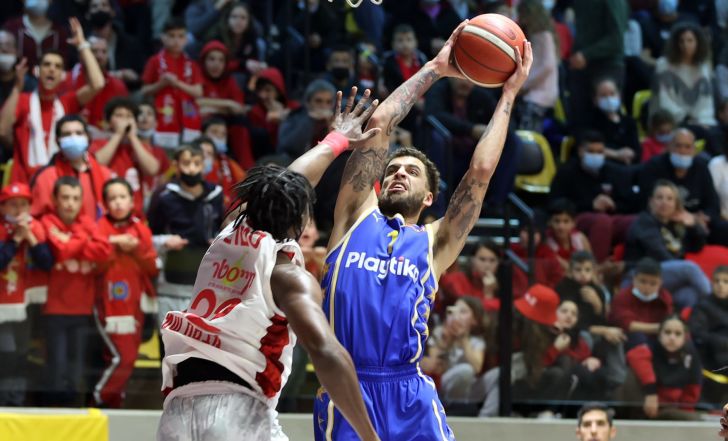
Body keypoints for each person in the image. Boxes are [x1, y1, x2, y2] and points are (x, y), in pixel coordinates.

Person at [314, 19, 532, 439]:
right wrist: (435, 68)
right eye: (393, 169)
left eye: (412, 172)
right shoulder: (354, 217)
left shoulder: (435, 242)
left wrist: (508, 94)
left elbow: (481, 172)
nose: (399, 173)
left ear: (430, 197)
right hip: (345, 388)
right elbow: (380, 123)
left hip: (409, 393)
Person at [157, 89, 382, 441]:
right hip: (236, 409)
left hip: (175, 412)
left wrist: (336, 140)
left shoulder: (230, 234)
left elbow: (285, 183)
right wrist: (370, 436)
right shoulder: (287, 274)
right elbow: (326, 352)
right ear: (300, 219)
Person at [0, 18, 105, 184]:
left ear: (62, 76)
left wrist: (82, 45)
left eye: (57, 66)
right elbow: (2, 130)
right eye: (47, 64)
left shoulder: (67, 101)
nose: (51, 69)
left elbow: (98, 83)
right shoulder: (22, 100)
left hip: (59, 183)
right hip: (25, 184)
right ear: (36, 71)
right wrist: (17, 88)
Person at [41, 176, 112, 406]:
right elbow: (61, 252)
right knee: (56, 365)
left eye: (75, 198)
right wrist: (83, 239)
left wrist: (72, 240)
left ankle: (71, 411)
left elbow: (105, 252)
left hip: (83, 309)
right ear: (54, 199)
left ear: (82, 201)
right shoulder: (47, 222)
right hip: (55, 310)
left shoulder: (88, 223)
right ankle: (53, 412)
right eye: (65, 198)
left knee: (76, 367)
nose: (70, 203)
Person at [94, 178, 157, 408]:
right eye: (112, 198)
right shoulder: (100, 227)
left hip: (135, 305)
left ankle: (115, 401)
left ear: (132, 201)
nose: (118, 202)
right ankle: (100, 398)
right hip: (107, 303)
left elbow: (152, 267)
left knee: (126, 357)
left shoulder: (141, 229)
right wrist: (113, 243)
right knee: (123, 357)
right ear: (105, 203)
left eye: (122, 197)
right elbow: (96, 264)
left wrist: (136, 248)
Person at [0, 183, 53, 406]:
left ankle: (17, 401)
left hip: (25, 302)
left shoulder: (36, 227)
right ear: (2, 208)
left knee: (21, 352)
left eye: (23, 204)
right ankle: (4, 402)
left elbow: (46, 262)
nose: (19, 210)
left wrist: (29, 236)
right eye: (13, 205)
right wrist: (15, 240)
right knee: (6, 352)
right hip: (2, 303)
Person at [625, 179, 712, 310]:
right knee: (690, 268)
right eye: (659, 198)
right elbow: (660, 254)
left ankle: (677, 319)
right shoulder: (644, 222)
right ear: (651, 202)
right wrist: (682, 274)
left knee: (691, 294)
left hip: (665, 279)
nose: (664, 202)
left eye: (669, 199)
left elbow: (697, 247)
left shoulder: (675, 226)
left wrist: (693, 225)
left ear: (676, 204)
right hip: (640, 275)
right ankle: (720, 303)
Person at [30, 115, 112, 220]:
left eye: (79, 133)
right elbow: (37, 217)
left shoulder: (104, 174)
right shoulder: (46, 177)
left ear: (88, 137)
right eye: (67, 134)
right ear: (57, 140)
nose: (74, 138)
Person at [90, 98, 161, 216]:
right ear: (108, 121)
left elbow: (152, 169)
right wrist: (118, 134)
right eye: (119, 115)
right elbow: (97, 164)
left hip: (134, 213)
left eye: (129, 116)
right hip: (105, 213)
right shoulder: (99, 144)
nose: (124, 120)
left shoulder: (140, 146)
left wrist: (133, 137)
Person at [140, 18, 203, 150]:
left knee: (188, 151)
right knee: (163, 154)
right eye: (172, 36)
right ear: (163, 37)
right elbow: (144, 91)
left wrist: (177, 83)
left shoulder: (192, 64)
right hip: (163, 114)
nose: (176, 41)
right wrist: (162, 84)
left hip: (188, 114)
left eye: (180, 36)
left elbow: (198, 92)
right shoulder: (154, 61)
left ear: (186, 39)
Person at [626, 315, 702, 419]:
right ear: (659, 335)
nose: (672, 338)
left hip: (675, 409)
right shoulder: (651, 348)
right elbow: (634, 355)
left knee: (694, 419)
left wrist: (683, 412)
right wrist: (651, 392)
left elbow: (693, 387)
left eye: (678, 334)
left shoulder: (691, 356)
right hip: (646, 406)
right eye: (667, 332)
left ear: (685, 337)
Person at [422, 297, 489, 406]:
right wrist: (446, 340)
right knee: (465, 370)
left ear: (475, 320)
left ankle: (485, 413)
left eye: (463, 311)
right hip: (443, 386)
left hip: (470, 389)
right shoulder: (440, 333)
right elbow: (433, 366)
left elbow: (477, 368)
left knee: (470, 371)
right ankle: (452, 407)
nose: (457, 315)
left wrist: (464, 339)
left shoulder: (476, 341)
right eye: (454, 310)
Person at [64, 36, 129, 135]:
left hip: (108, 139)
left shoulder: (118, 86)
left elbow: (125, 124)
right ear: (82, 55)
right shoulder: (68, 81)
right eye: (94, 51)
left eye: (104, 52)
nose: (100, 56)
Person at [438, 240, 502, 315]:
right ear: (472, 260)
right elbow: (471, 312)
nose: (487, 265)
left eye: (492, 260)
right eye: (482, 259)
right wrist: (488, 295)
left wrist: (489, 293)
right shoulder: (456, 280)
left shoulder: (505, 283)